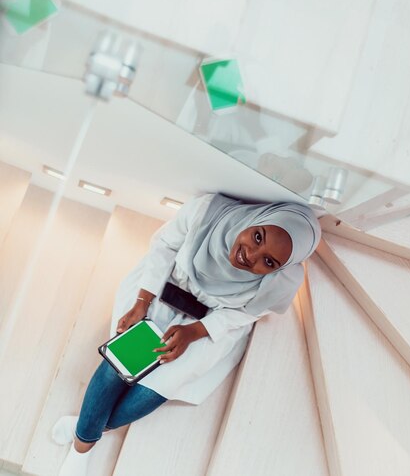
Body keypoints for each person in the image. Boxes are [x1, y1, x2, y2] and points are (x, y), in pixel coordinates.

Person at [53, 192, 321, 476]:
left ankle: (85, 429)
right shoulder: (207, 211)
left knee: (156, 389)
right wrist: (141, 303)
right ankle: (82, 449)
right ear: (258, 220)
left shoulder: (284, 281)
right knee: (117, 367)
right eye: (257, 237)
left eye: (268, 262)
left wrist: (193, 332)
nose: (250, 257)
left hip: (207, 323)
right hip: (158, 295)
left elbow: (246, 313)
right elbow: (165, 246)